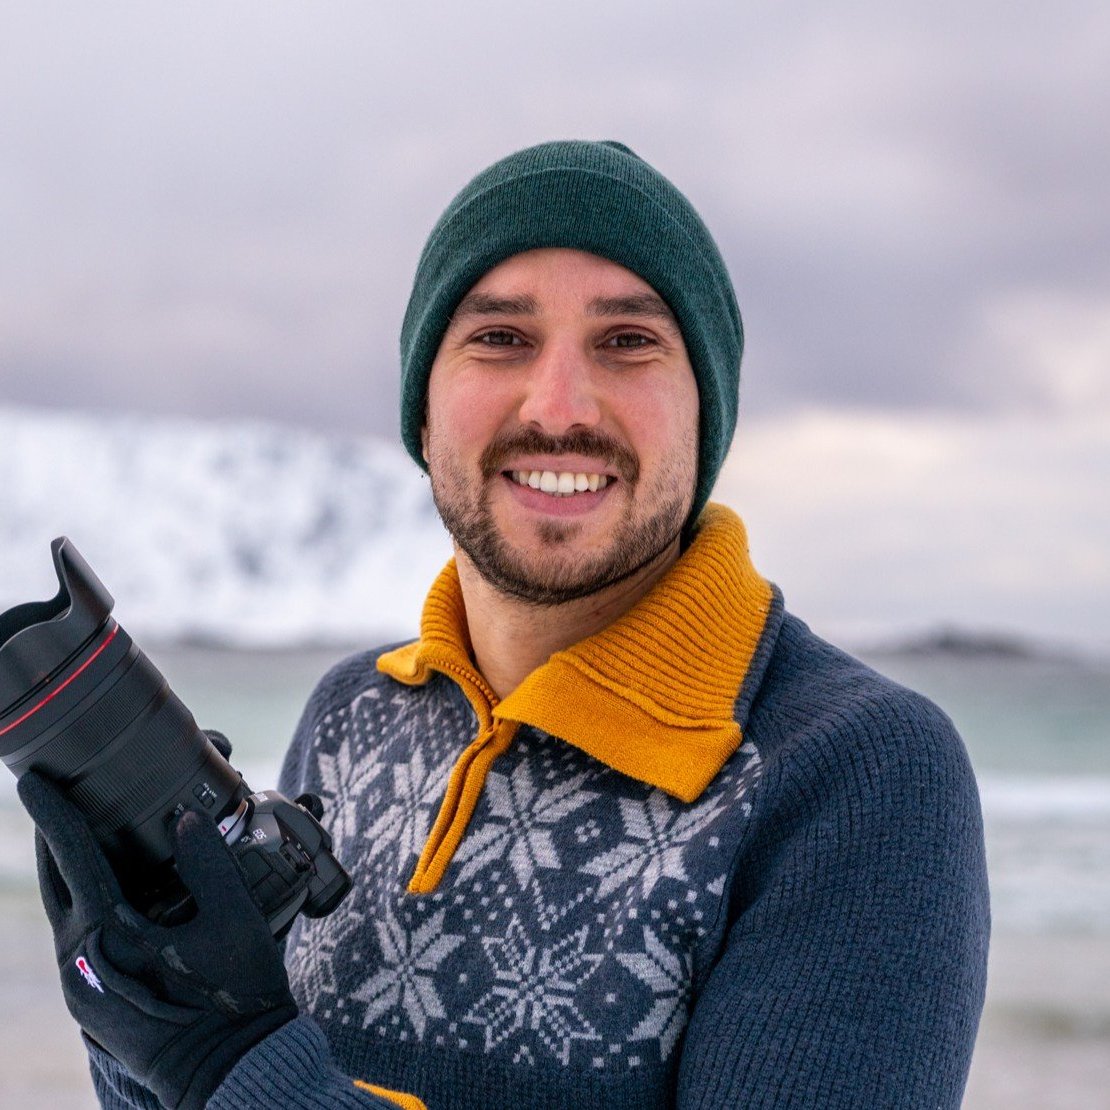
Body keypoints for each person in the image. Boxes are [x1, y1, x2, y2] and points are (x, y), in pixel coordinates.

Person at [19, 140, 990, 1109]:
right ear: (424, 411)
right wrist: (147, 1029)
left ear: (708, 416)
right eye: (500, 338)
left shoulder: (857, 772)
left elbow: (246, 1078)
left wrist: (233, 1064)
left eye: (628, 341)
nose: (559, 406)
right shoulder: (353, 714)